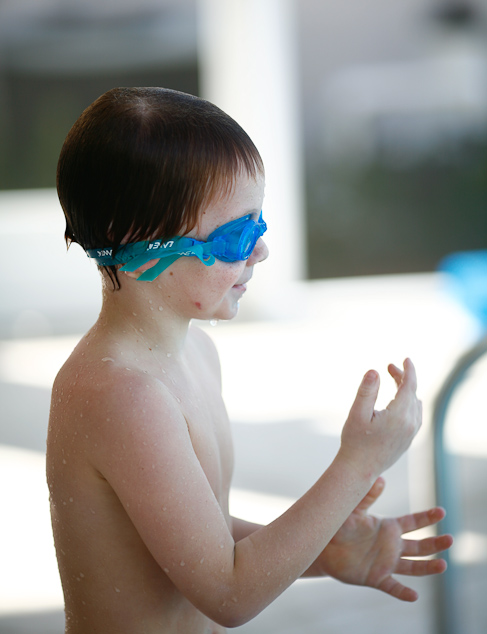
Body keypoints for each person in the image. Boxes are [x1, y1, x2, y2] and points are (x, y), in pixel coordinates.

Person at [47, 86, 452, 634]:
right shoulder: (120, 395)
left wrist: (325, 555)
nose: (260, 250)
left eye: (260, 225)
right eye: (238, 234)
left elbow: (195, 539)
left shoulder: (195, 354)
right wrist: (357, 464)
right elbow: (228, 592)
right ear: (140, 242)